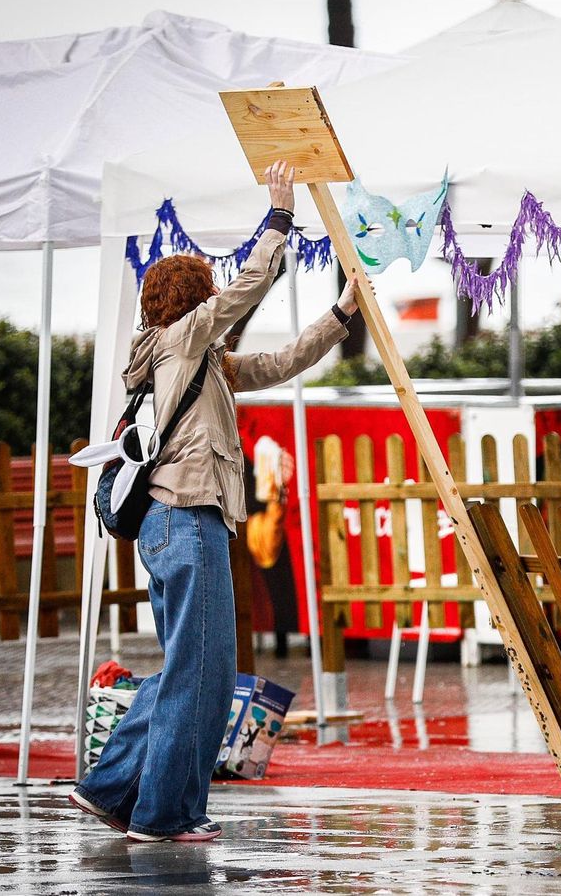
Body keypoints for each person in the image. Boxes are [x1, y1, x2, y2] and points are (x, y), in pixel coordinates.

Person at [71, 161, 359, 842]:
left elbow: (280, 362)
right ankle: (162, 814)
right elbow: (249, 284)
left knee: (194, 668)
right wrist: (279, 214)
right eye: (208, 299)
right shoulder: (181, 341)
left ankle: (110, 788)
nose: (217, 311)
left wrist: (341, 314)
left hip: (182, 523)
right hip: (185, 519)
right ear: (194, 303)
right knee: (198, 671)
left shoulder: (196, 362)